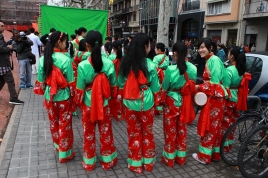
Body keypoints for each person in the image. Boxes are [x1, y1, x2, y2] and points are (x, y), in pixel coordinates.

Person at [118, 33, 160, 174]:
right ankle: (148, 163)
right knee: (147, 132)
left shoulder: (125, 63)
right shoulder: (151, 64)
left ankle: (135, 163)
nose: (150, 47)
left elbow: (120, 83)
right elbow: (155, 87)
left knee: (133, 134)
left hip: (129, 103)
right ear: (145, 47)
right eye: (149, 45)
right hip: (146, 102)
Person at [76, 30, 118, 171]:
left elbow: (79, 90)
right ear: (101, 45)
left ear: (87, 45)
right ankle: (108, 161)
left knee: (88, 133)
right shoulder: (109, 63)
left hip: (88, 104)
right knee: (106, 132)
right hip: (104, 103)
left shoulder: (82, 65)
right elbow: (114, 86)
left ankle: (89, 162)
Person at [34, 31, 76, 163]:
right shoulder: (66, 60)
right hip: (63, 97)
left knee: (54, 123)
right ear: (59, 42)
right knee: (65, 124)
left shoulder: (42, 59)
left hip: (50, 97)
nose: (66, 44)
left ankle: (58, 147)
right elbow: (71, 82)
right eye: (65, 42)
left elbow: (40, 81)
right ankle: (65, 153)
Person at [192, 37, 227, 164]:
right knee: (214, 127)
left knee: (210, 127)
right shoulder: (211, 60)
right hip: (215, 98)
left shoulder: (214, 60)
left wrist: (198, 87)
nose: (200, 50)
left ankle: (204, 157)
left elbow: (215, 83)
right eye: (199, 47)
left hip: (215, 98)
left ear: (210, 48)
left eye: (203, 47)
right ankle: (214, 155)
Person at [161, 42, 197, 167]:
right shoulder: (193, 68)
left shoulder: (170, 70)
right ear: (187, 53)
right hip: (185, 102)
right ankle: (181, 158)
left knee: (170, 131)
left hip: (171, 102)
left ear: (175, 54)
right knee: (182, 130)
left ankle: (169, 159)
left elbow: (165, 88)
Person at [221, 46, 251, 153]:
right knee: (232, 125)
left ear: (232, 56)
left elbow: (225, 88)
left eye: (229, 53)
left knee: (224, 124)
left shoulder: (229, 70)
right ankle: (228, 146)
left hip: (229, 99)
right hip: (237, 99)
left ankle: (222, 147)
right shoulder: (242, 70)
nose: (228, 54)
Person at [0, 20, 24, 105]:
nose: (4, 27)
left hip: (2, 63)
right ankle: (13, 98)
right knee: (10, 81)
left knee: (2, 80)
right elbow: (1, 49)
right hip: (3, 63)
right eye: (2, 26)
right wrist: (9, 48)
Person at [153, 42, 169, 115]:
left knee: (157, 93)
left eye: (155, 48)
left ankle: (157, 109)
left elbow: (154, 68)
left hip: (158, 76)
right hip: (165, 76)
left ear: (159, 49)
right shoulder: (167, 57)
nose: (154, 49)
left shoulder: (156, 57)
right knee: (163, 92)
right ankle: (161, 108)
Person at [109, 40, 123, 120]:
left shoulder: (113, 60)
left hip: (115, 82)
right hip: (124, 83)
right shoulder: (125, 58)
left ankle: (117, 113)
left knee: (116, 98)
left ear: (113, 49)